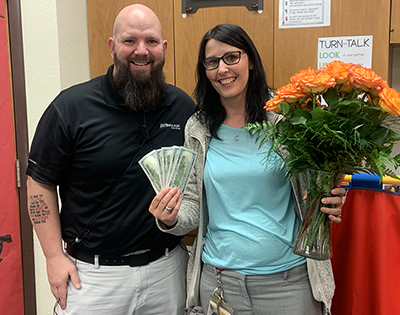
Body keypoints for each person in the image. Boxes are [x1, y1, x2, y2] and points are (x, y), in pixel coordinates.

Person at [149, 24, 346, 315]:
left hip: (289, 284)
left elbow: (313, 189)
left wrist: (328, 199)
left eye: (232, 57)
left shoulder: (287, 118)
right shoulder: (198, 127)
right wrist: (170, 218)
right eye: (212, 62)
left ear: (250, 60)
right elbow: (192, 204)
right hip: (219, 283)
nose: (222, 69)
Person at [26, 4, 195, 315]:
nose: (141, 51)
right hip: (93, 278)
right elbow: (39, 183)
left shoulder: (182, 106)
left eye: (151, 42)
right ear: (112, 46)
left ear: (164, 48)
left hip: (168, 270)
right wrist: (52, 256)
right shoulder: (70, 108)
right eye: (130, 41)